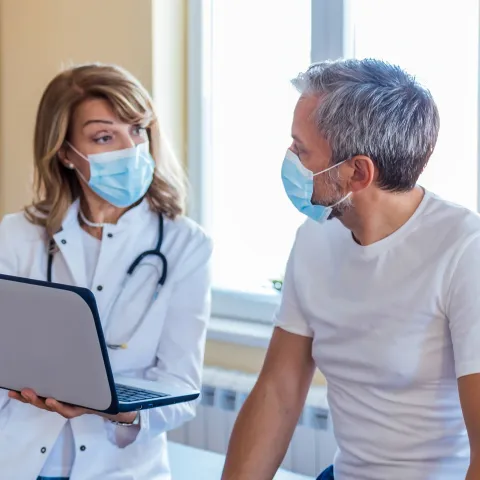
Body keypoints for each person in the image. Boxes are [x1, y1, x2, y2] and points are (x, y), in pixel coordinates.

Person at [221, 58, 480, 480]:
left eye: (301, 150)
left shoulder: (464, 249)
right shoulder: (314, 238)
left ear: (357, 171)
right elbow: (278, 392)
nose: (290, 159)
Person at [0, 63, 212, 480]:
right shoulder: (15, 235)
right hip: (20, 461)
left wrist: (118, 410)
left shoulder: (185, 245)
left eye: (137, 130)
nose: (130, 148)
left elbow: (180, 388)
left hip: (122, 470)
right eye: (103, 136)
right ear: (65, 152)